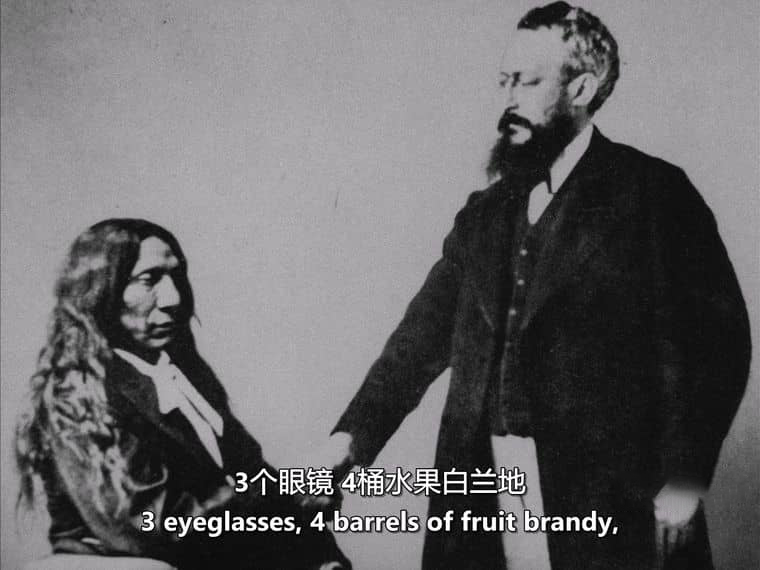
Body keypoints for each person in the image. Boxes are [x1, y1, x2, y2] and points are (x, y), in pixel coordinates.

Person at [309, 3, 751, 569]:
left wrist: (686, 480)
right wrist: (350, 442)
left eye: (527, 81)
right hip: (481, 497)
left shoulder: (653, 194)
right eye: (504, 81)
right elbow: (415, 344)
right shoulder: (484, 215)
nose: (509, 99)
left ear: (582, 88)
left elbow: (720, 345)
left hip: (609, 504)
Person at [15, 218, 350, 570]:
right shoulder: (77, 395)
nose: (173, 298)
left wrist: (322, 555)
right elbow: (149, 526)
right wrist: (289, 500)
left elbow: (253, 476)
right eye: (149, 280)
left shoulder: (187, 378)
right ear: (101, 290)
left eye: (177, 276)